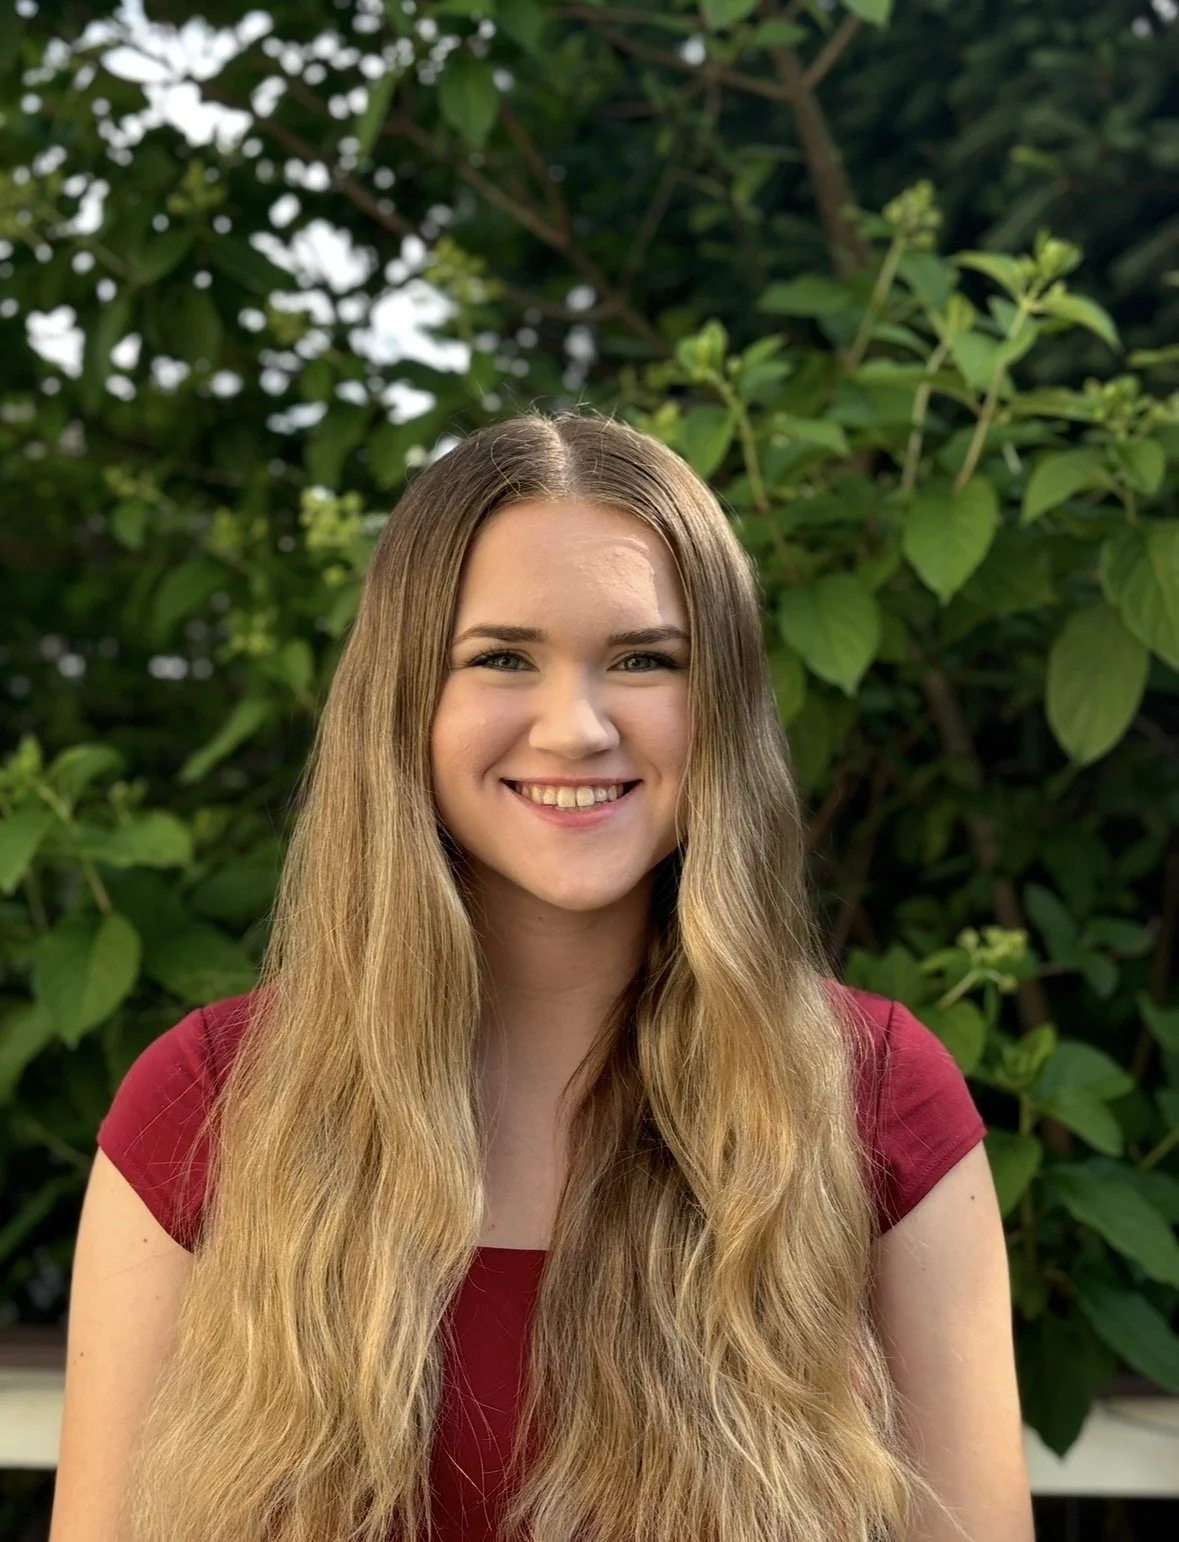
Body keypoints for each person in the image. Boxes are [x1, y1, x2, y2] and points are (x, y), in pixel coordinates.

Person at [76, 409, 1030, 1542]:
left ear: (721, 706)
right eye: (502, 658)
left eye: (644, 660)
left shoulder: (870, 1096)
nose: (576, 728)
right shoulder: (205, 1102)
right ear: (404, 701)